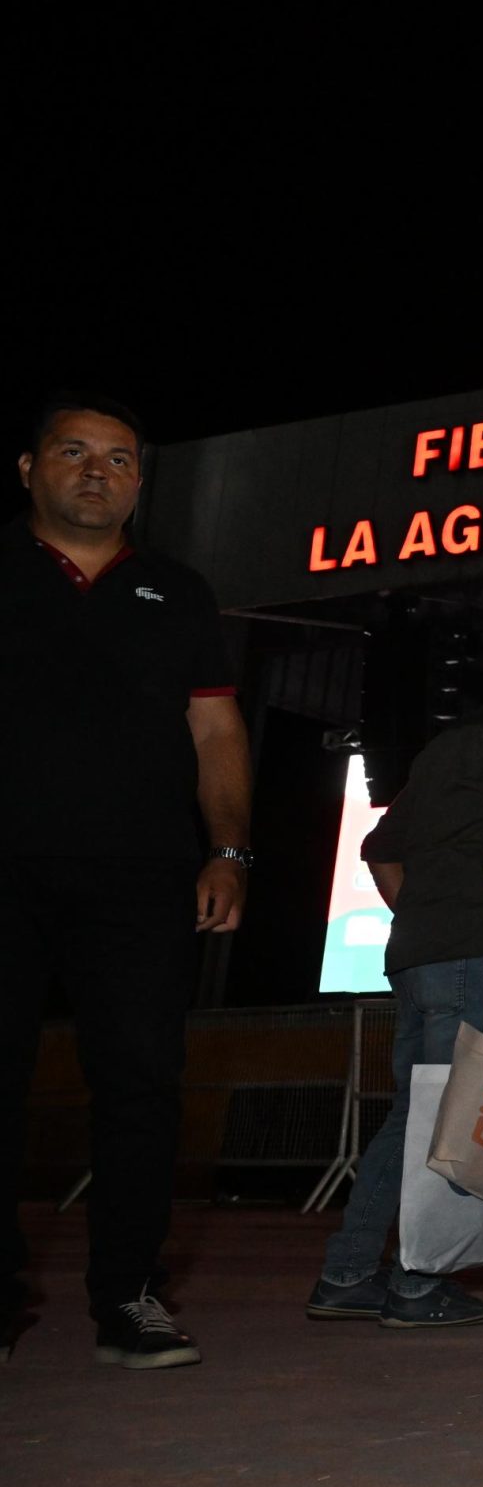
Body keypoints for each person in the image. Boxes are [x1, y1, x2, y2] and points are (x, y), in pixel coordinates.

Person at [2, 394, 252, 1369]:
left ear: (140, 482)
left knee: (142, 1084)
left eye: (117, 458)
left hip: (143, 877)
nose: (96, 471)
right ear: (29, 469)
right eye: (73, 451)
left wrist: (229, 850)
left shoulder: (176, 592)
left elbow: (216, 729)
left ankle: (130, 1294)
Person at [307, 627, 483, 1331]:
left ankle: (347, 1274)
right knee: (452, 1119)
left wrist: (429, 921)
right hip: (474, 959)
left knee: (418, 1116)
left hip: (419, 958)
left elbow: (380, 849)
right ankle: (419, 1280)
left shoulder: (451, 744)